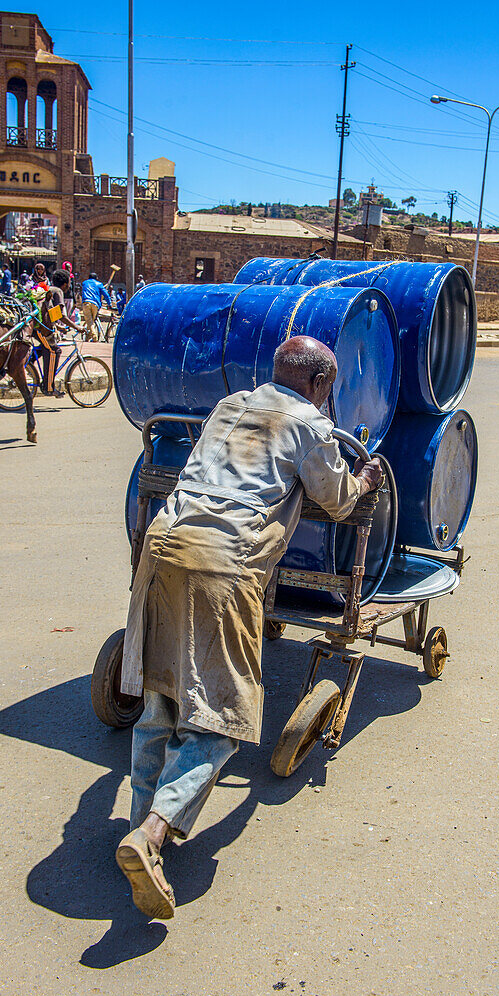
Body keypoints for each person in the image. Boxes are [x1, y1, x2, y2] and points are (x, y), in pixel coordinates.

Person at [115, 335, 384, 920]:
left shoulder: (229, 404)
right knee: (223, 718)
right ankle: (154, 834)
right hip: (224, 560)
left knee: (161, 698)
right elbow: (337, 500)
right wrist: (365, 480)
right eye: (327, 390)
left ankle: (138, 826)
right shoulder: (312, 424)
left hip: (162, 546)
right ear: (318, 385)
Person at [31, 268, 83, 396]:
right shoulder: (58, 291)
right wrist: (77, 327)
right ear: (65, 283)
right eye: (69, 282)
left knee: (46, 348)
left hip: (39, 327)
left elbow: (51, 313)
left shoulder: (50, 289)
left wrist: (59, 328)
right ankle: (48, 387)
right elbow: (61, 316)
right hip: (41, 329)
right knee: (54, 351)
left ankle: (27, 362)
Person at [80, 272, 112, 341]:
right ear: (96, 278)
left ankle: (92, 337)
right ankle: (90, 337)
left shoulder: (85, 283)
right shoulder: (99, 284)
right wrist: (109, 304)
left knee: (89, 321)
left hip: (86, 302)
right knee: (91, 321)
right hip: (95, 304)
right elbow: (106, 294)